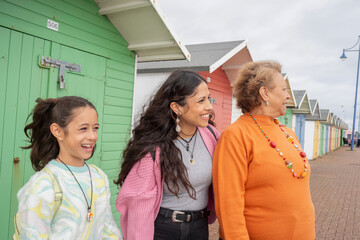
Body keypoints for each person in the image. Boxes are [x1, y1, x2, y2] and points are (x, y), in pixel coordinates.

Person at [213, 61, 315, 240]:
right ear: (264, 92)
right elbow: (229, 206)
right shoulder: (236, 135)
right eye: (283, 89)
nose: (288, 96)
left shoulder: (288, 132)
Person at [114, 70, 220, 240]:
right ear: (177, 107)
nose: (209, 106)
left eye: (209, 98)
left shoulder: (212, 135)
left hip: (199, 227)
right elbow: (139, 204)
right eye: (201, 100)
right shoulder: (154, 148)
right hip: (164, 229)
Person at [15, 96, 122, 239]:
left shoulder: (98, 176)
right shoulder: (43, 185)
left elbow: (109, 230)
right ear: (57, 131)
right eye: (83, 128)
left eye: (95, 128)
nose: (92, 136)